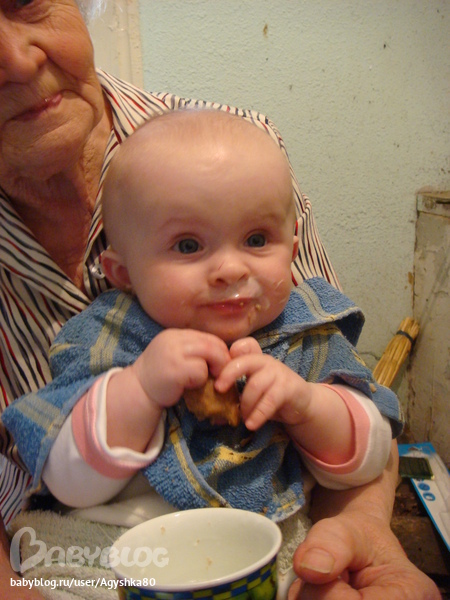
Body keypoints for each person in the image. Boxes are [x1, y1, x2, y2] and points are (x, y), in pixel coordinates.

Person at [0, 1, 440, 599]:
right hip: (110, 559)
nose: (232, 268)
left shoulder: (300, 326)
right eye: (187, 246)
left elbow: (370, 449)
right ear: (122, 274)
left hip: (263, 548)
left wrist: (309, 406)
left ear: (290, 244)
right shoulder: (106, 337)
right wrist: (139, 390)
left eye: (257, 240)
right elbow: (68, 479)